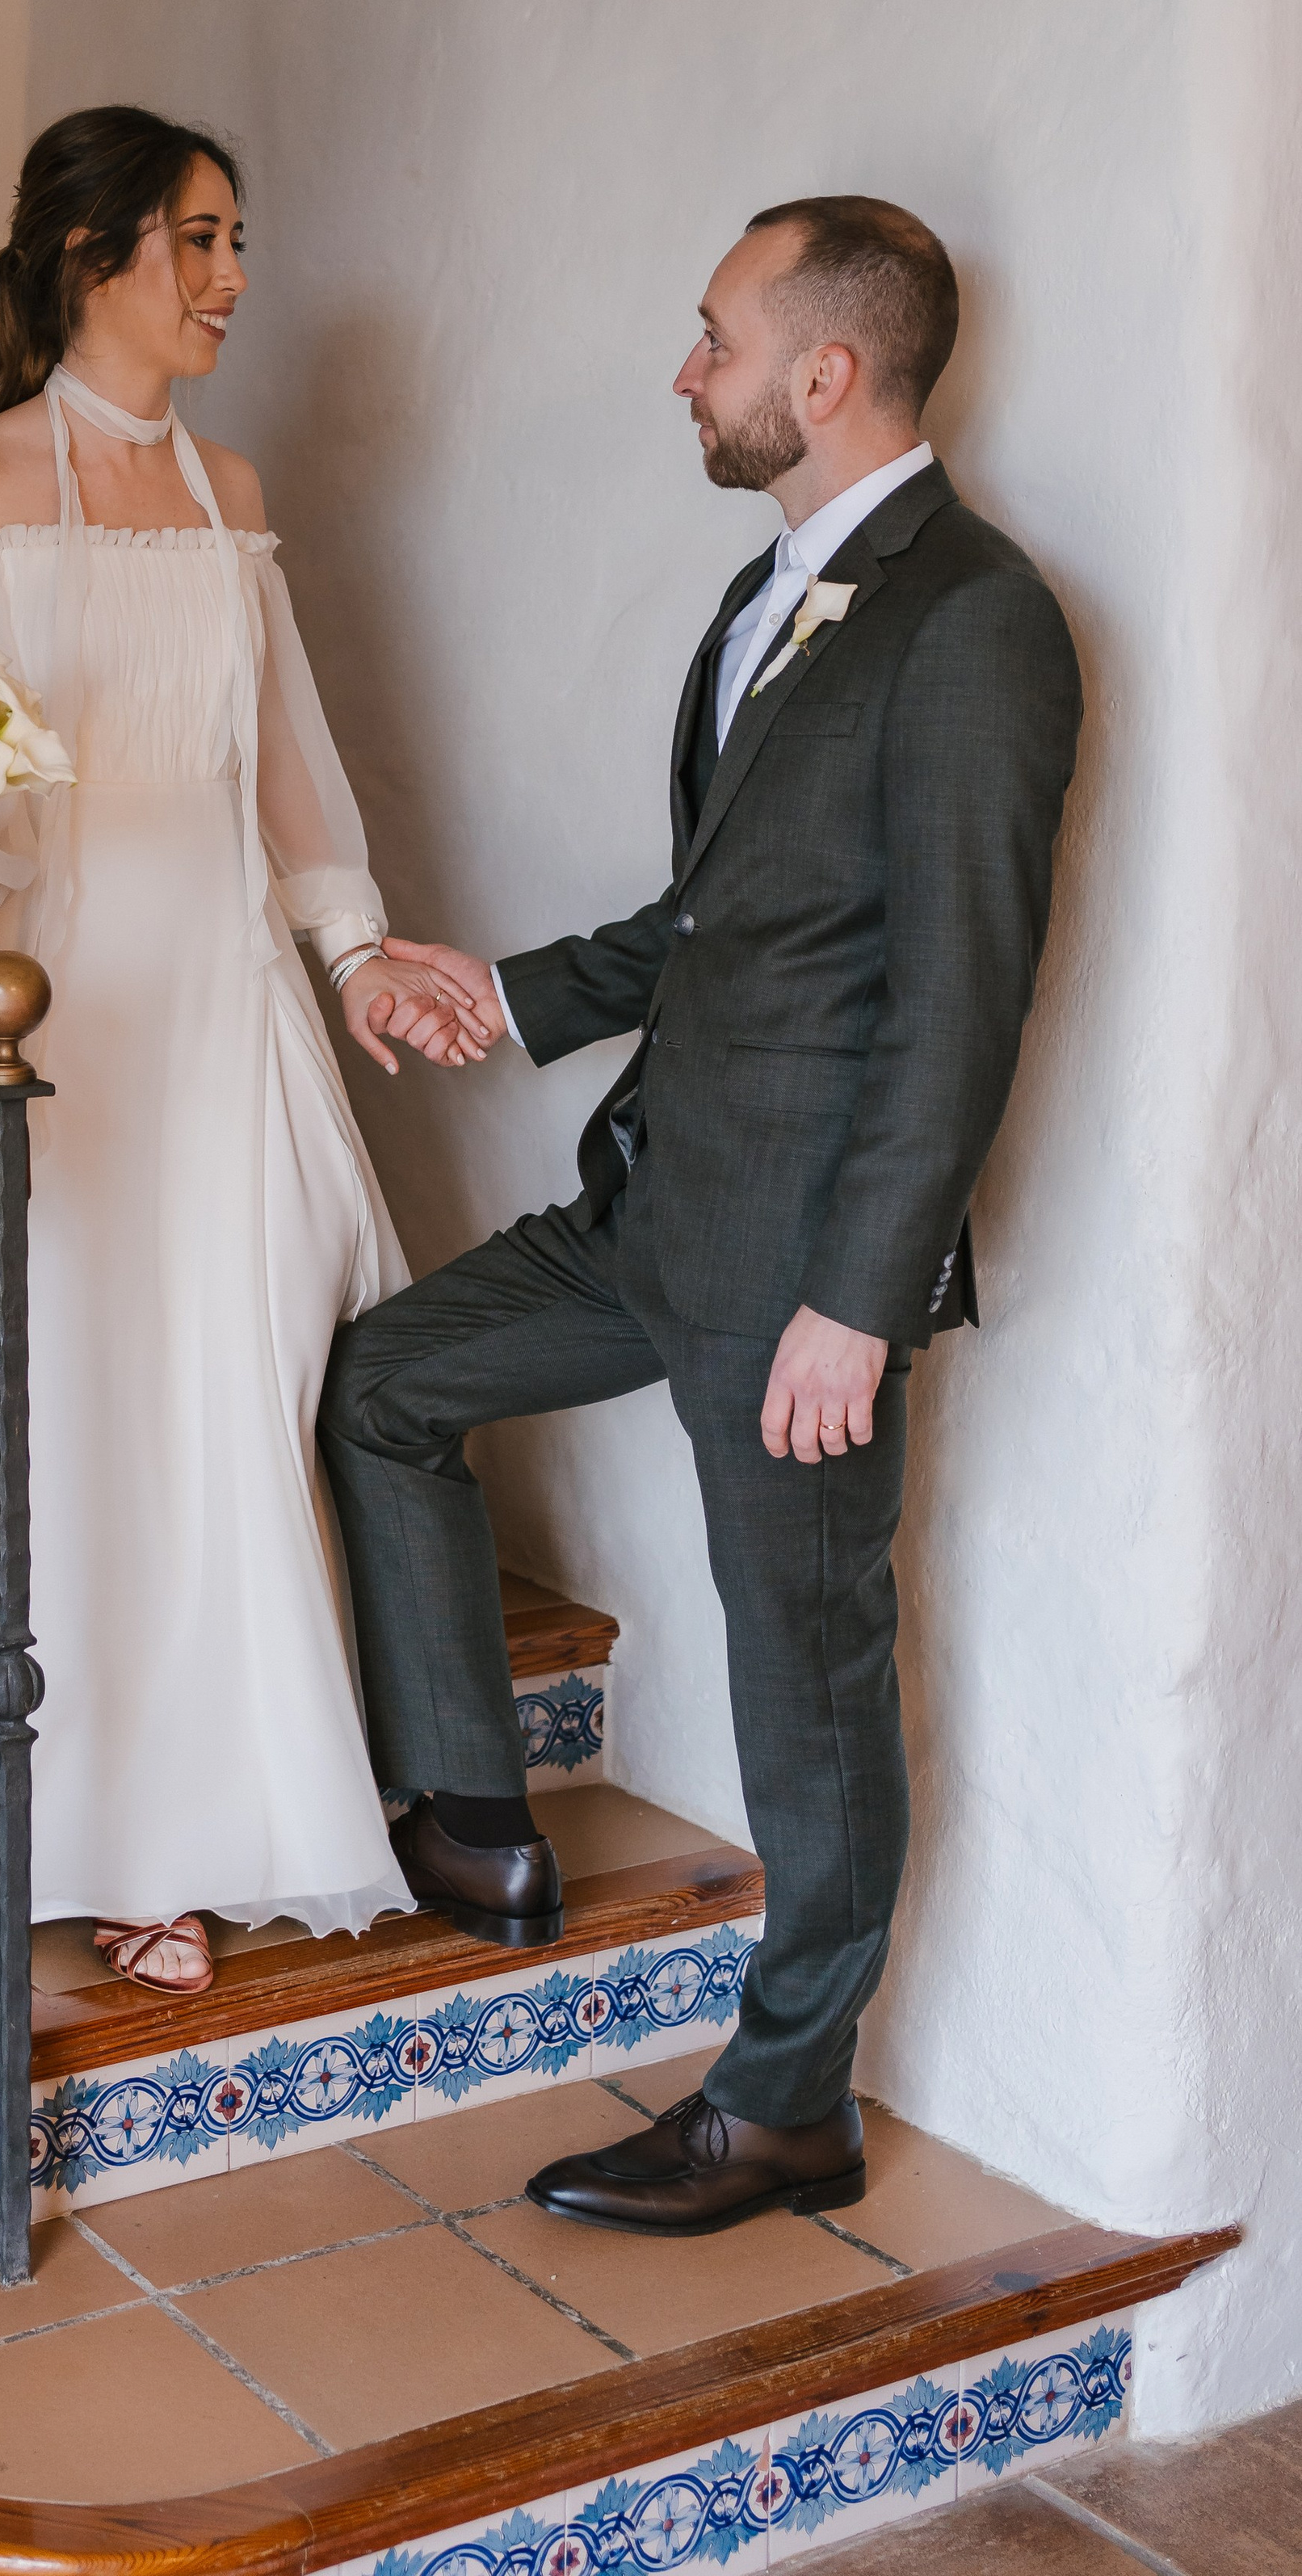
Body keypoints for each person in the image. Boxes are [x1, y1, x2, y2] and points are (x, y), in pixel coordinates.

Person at [319, 195, 1082, 2226]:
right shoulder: (772, 597)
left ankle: (781, 2104)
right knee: (388, 1380)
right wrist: (487, 996)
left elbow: (958, 997)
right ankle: (472, 1811)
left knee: (805, 1683)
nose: (685, 371)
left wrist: (864, 1297)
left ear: (819, 376)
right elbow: (712, 923)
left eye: (711, 335)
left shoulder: (971, 616)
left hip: (797, 1283)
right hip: (650, 1211)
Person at [0, 105, 482, 1994]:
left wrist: (352, 960)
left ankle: (203, 1824)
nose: (231, 278)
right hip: (63, 1009)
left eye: (234, 240)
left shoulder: (225, 487)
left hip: (225, 1009)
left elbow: (282, 768)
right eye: (199, 240)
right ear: (93, 252)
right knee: (70, 1402)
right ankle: (62, 1819)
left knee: (234, 1386)